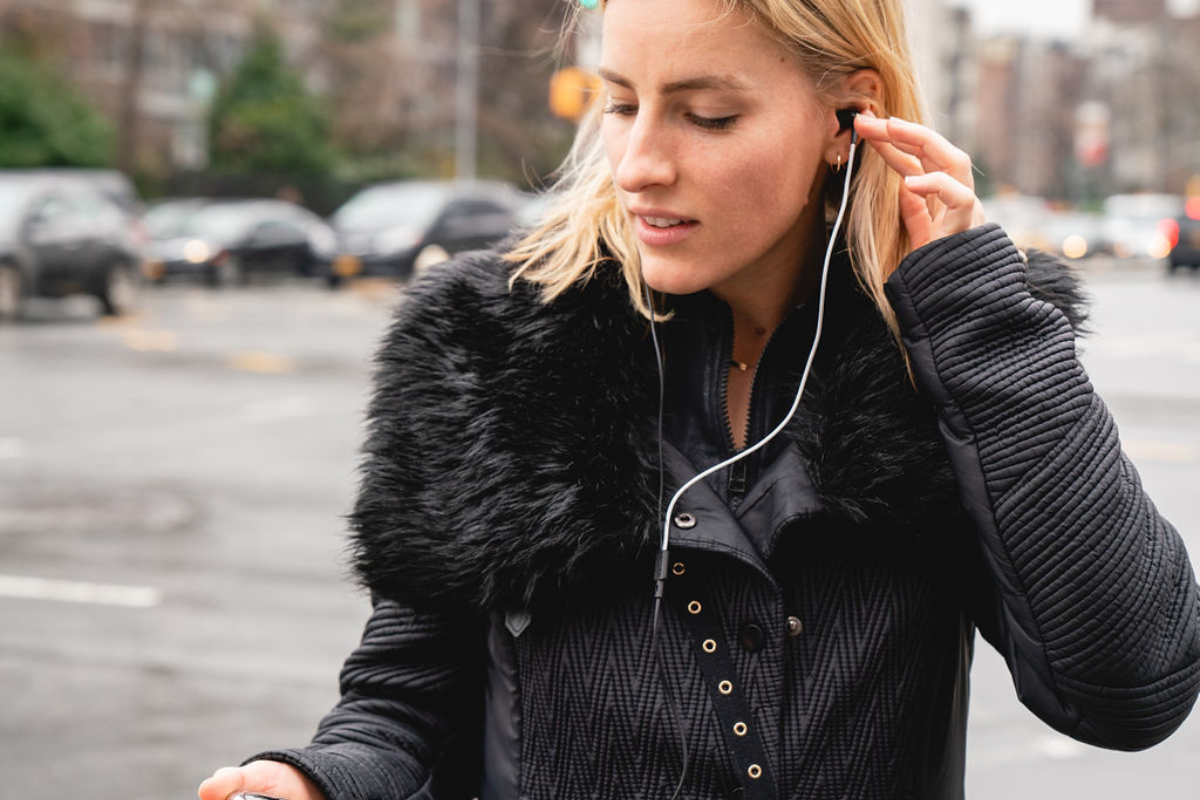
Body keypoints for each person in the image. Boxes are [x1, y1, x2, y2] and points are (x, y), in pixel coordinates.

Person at [199, 0, 1200, 798]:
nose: (639, 164)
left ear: (849, 116)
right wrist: (312, 779)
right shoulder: (493, 340)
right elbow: (403, 703)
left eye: (707, 114)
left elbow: (1130, 683)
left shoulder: (949, 347)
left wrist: (976, 312)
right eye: (622, 102)